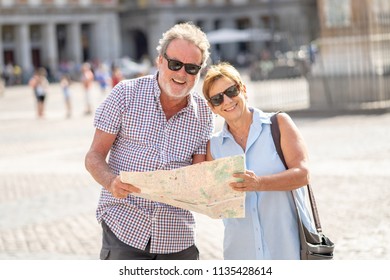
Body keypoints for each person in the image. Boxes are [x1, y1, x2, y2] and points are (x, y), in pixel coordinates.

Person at [84, 22, 213, 260]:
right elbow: (93, 157)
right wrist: (111, 182)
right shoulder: (125, 94)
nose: (182, 74)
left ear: (200, 71)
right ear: (160, 61)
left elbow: (199, 174)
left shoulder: (204, 114)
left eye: (192, 68)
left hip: (177, 237)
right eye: (175, 64)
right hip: (124, 228)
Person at [203, 62, 316, 260]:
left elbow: (303, 174)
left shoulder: (278, 124)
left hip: (287, 249)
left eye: (231, 91)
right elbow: (212, 199)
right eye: (218, 99)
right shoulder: (213, 146)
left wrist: (260, 183)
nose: (227, 101)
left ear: (243, 89)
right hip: (240, 254)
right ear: (212, 108)